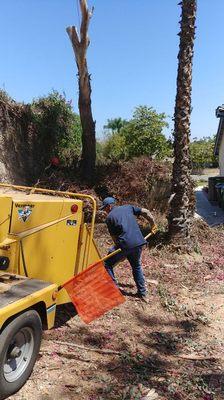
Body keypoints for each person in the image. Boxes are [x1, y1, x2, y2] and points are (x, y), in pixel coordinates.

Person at [100, 197, 156, 303]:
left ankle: (114, 291)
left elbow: (115, 239)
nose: (105, 211)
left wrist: (121, 254)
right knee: (136, 266)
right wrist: (153, 224)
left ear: (109, 206)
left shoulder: (109, 218)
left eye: (105, 209)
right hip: (139, 242)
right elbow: (146, 212)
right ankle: (142, 293)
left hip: (125, 244)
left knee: (106, 264)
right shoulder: (128, 207)